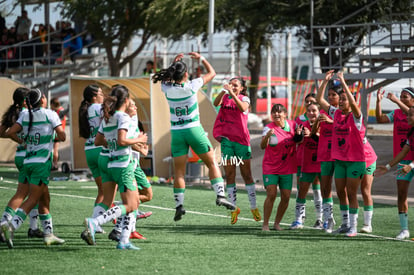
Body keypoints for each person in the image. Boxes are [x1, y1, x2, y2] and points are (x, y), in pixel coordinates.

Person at [152, 52, 236, 222]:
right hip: (193, 130)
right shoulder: (191, 85)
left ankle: (179, 205)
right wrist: (202, 59)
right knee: (211, 161)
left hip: (176, 132)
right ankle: (220, 195)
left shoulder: (167, 88)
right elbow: (212, 73)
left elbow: (167, 79)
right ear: (185, 74)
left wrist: (174, 63)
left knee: (179, 172)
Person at [82, 85, 148, 250]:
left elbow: (98, 141)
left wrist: (112, 144)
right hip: (123, 164)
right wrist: (139, 139)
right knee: (132, 205)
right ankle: (95, 222)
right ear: (126, 100)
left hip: (108, 161)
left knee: (112, 201)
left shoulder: (107, 117)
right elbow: (122, 141)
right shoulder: (123, 117)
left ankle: (124, 240)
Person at [1, 88, 66, 248]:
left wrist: (23, 140)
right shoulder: (50, 114)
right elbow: (63, 136)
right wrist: (50, 135)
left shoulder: (24, 114)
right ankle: (11, 226)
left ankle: (47, 233)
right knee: (33, 198)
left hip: (27, 160)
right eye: (44, 95)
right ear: (41, 100)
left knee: (44, 197)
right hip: (41, 162)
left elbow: (8, 132)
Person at [316, 70, 366, 237]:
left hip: (355, 161)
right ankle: (345, 223)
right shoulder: (336, 113)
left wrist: (343, 82)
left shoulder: (357, 117)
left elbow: (353, 103)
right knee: (340, 192)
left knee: (352, 193)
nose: (343, 102)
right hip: (340, 160)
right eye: (341, 99)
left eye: (345, 99)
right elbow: (319, 100)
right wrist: (325, 81)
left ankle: (353, 226)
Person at [213, 77, 261, 224]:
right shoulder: (225, 97)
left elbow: (242, 108)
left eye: (235, 85)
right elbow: (216, 103)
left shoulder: (244, 98)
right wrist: (223, 91)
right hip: (228, 142)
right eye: (231, 84)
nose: (232, 87)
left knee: (247, 175)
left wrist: (232, 93)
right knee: (230, 174)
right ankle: (234, 209)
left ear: (241, 88)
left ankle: (253, 207)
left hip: (241, 142)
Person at [0, 87, 44, 242]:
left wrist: (18, 140)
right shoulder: (27, 113)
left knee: (31, 193)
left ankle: (32, 227)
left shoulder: (14, 113)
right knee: (28, 194)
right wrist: (23, 141)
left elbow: (2, 132)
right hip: (30, 156)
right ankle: (5, 225)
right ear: (26, 100)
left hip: (20, 155)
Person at [375, 87, 414, 240]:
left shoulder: (407, 113)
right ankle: (404, 229)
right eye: (401, 96)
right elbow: (405, 150)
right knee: (401, 194)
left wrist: (410, 166)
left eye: (405, 97)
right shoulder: (400, 117)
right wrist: (388, 166)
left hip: (410, 164)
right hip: (403, 162)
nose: (402, 99)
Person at [261, 104, 303, 231]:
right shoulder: (268, 128)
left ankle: (277, 223)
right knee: (272, 194)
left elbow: (298, 140)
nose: (276, 114)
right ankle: (265, 224)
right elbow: (262, 146)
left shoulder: (293, 125)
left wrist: (300, 134)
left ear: (285, 114)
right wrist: (267, 136)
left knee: (285, 196)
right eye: (274, 112)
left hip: (287, 167)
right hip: (271, 167)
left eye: (279, 112)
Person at [290, 102, 322, 230]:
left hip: (321, 163)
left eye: (314, 110)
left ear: (319, 112)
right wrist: (298, 135)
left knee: (323, 191)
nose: (311, 113)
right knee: (302, 191)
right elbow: (297, 141)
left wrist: (312, 134)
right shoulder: (302, 125)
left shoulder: (323, 124)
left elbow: (323, 141)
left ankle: (323, 220)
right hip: (307, 163)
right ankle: (298, 219)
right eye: (309, 111)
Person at [78, 84, 105, 233]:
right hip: (100, 149)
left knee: (102, 190)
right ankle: (97, 221)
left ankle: (97, 220)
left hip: (89, 150)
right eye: (101, 93)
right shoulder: (97, 108)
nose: (103, 95)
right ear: (94, 97)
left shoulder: (86, 109)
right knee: (111, 190)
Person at [315, 81, 341, 233]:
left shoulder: (344, 113)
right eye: (329, 95)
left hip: (339, 156)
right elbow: (316, 134)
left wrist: (333, 121)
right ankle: (328, 218)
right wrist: (325, 81)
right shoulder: (324, 113)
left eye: (334, 95)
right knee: (325, 188)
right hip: (325, 154)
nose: (330, 97)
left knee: (341, 190)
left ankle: (348, 221)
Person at [50, 97, 67, 170]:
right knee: (54, 149)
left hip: (56, 132)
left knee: (54, 150)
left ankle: (55, 164)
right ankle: (55, 164)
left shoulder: (59, 112)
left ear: (52, 104)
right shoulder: (59, 111)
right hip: (58, 132)